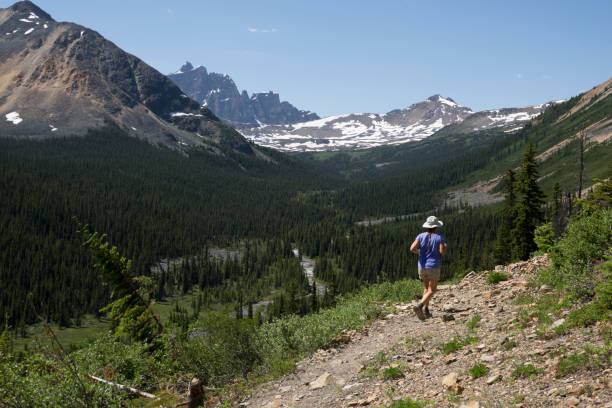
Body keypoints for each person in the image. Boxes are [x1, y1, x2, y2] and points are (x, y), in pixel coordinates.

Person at [410, 216, 447, 320]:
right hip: (434, 266)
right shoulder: (439, 237)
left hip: (422, 265)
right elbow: (442, 252)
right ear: (436, 227)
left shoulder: (420, 236)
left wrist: (419, 252)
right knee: (432, 290)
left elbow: (412, 248)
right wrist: (444, 247)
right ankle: (420, 306)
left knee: (426, 288)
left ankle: (426, 310)